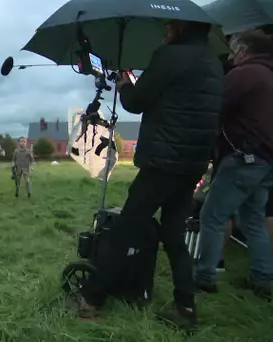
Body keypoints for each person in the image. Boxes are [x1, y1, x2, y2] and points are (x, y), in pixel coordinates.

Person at [66, 20, 223, 332]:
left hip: (163, 161)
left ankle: (92, 299)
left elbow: (137, 102)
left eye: (168, 26)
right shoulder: (213, 62)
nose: (165, 30)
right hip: (192, 163)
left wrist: (125, 84)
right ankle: (185, 306)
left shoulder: (169, 56)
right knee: (174, 235)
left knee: (124, 229)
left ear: (181, 27)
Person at [194, 32, 273, 301]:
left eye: (235, 49)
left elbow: (215, 106)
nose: (232, 54)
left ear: (245, 49)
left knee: (212, 216)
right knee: (253, 221)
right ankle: (262, 279)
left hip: (243, 157)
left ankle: (205, 276)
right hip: (265, 162)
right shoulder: (268, 75)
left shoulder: (245, 74)